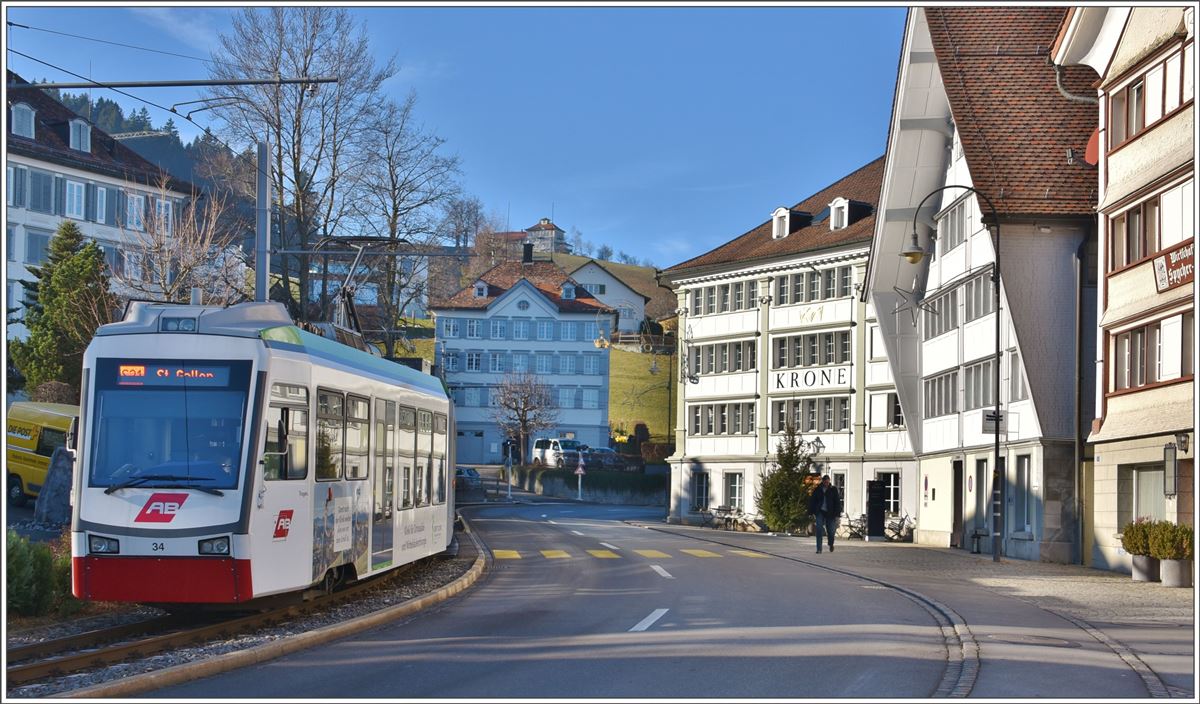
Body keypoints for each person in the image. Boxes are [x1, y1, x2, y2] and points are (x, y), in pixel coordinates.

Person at [808, 475, 842, 554]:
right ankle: (819, 549)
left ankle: (831, 544)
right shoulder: (818, 489)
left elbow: (837, 502)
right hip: (820, 512)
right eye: (825, 482)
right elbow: (812, 501)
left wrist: (837, 514)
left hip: (830, 512)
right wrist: (810, 512)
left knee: (831, 531)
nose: (826, 483)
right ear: (822, 482)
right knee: (819, 529)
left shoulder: (833, 490)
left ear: (829, 481)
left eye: (827, 482)